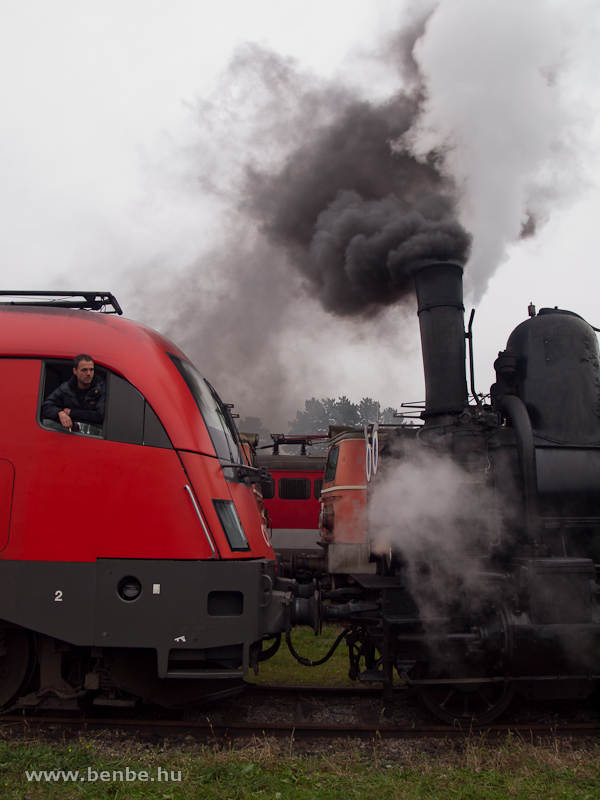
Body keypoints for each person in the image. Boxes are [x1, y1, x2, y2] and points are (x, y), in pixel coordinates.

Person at [42, 354, 105, 431]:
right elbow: (46, 407)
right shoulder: (66, 389)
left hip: (96, 435)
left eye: (91, 370)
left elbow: (101, 416)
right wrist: (60, 413)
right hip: (70, 435)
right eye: (84, 370)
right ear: (75, 371)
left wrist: (71, 413)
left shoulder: (101, 388)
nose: (89, 373)